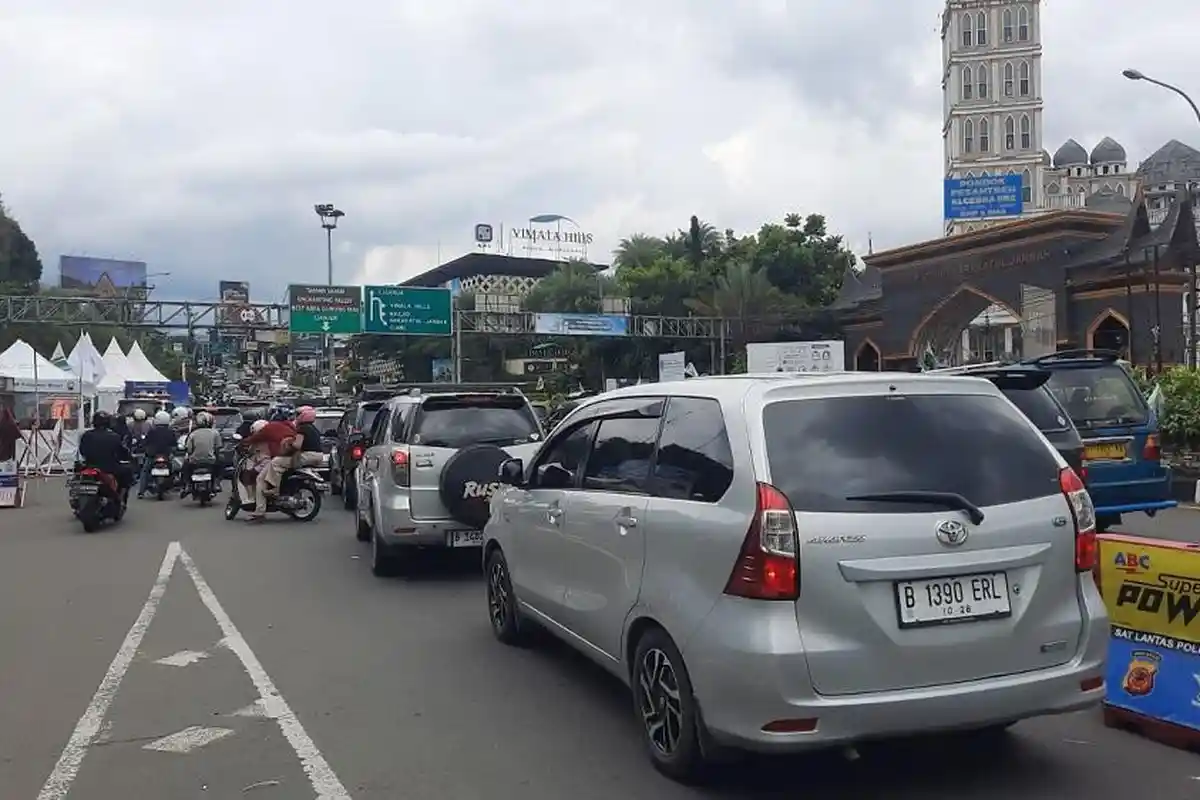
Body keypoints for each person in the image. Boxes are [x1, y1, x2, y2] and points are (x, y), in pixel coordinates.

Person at [238, 414, 298, 521]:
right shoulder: (290, 426)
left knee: (260, 479)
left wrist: (242, 443)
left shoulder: (269, 429)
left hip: (280, 458)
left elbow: (252, 439)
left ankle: (260, 511)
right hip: (295, 457)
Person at [77, 411, 133, 493]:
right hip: (109, 468)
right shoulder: (115, 436)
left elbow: (82, 450)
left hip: (90, 466)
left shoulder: (86, 435)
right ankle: (121, 498)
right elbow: (122, 452)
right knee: (127, 473)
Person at [179, 411, 222, 497]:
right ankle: (216, 483)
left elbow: (189, 450)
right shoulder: (215, 433)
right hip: (210, 461)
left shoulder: (193, 434)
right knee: (220, 466)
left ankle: (187, 485)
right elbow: (218, 448)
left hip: (194, 461)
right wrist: (217, 458)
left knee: (184, 469)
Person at [138, 411, 178, 498]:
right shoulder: (170, 432)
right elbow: (174, 445)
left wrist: (142, 447)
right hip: (166, 455)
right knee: (174, 469)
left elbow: (145, 442)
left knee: (145, 471)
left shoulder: (152, 431)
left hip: (152, 455)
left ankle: (141, 492)